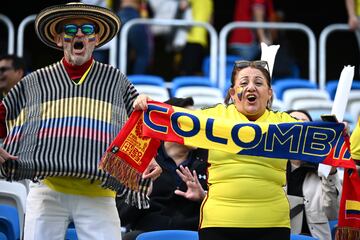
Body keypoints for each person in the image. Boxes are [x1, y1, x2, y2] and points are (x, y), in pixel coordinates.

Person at [0, 3, 162, 240]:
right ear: (58, 39)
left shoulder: (115, 80)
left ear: (96, 40)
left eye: (87, 30)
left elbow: (137, 123)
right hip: (47, 192)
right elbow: (3, 112)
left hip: (99, 194)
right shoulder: (38, 81)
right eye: (69, 30)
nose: (79, 35)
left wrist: (150, 158)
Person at [117, 97, 208, 240]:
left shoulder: (210, 161)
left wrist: (203, 197)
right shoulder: (142, 159)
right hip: (146, 234)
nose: (196, 128)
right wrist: (140, 195)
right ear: (168, 124)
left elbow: (224, 213)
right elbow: (120, 217)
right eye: (190, 122)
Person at [286, 110, 341, 240]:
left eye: (305, 124)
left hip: (315, 236)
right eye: (293, 121)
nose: (299, 127)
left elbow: (334, 212)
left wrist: (331, 173)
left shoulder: (323, 168)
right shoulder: (272, 167)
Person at [117, 0, 153, 74]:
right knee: (143, 55)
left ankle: (118, 81)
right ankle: (138, 82)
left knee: (120, 54)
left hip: (120, 15)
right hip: (132, 15)